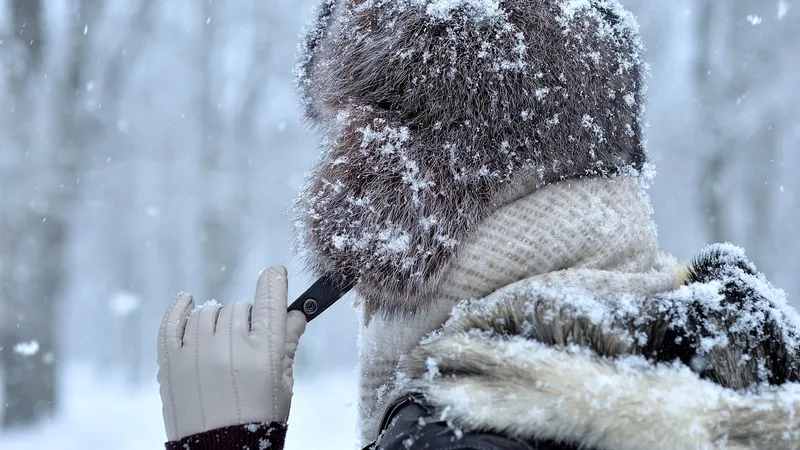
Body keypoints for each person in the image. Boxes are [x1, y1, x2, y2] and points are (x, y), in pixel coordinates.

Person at [157, 0, 800, 449]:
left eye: (337, 143)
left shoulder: (462, 430)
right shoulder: (738, 359)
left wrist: (228, 444)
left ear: (390, 181)